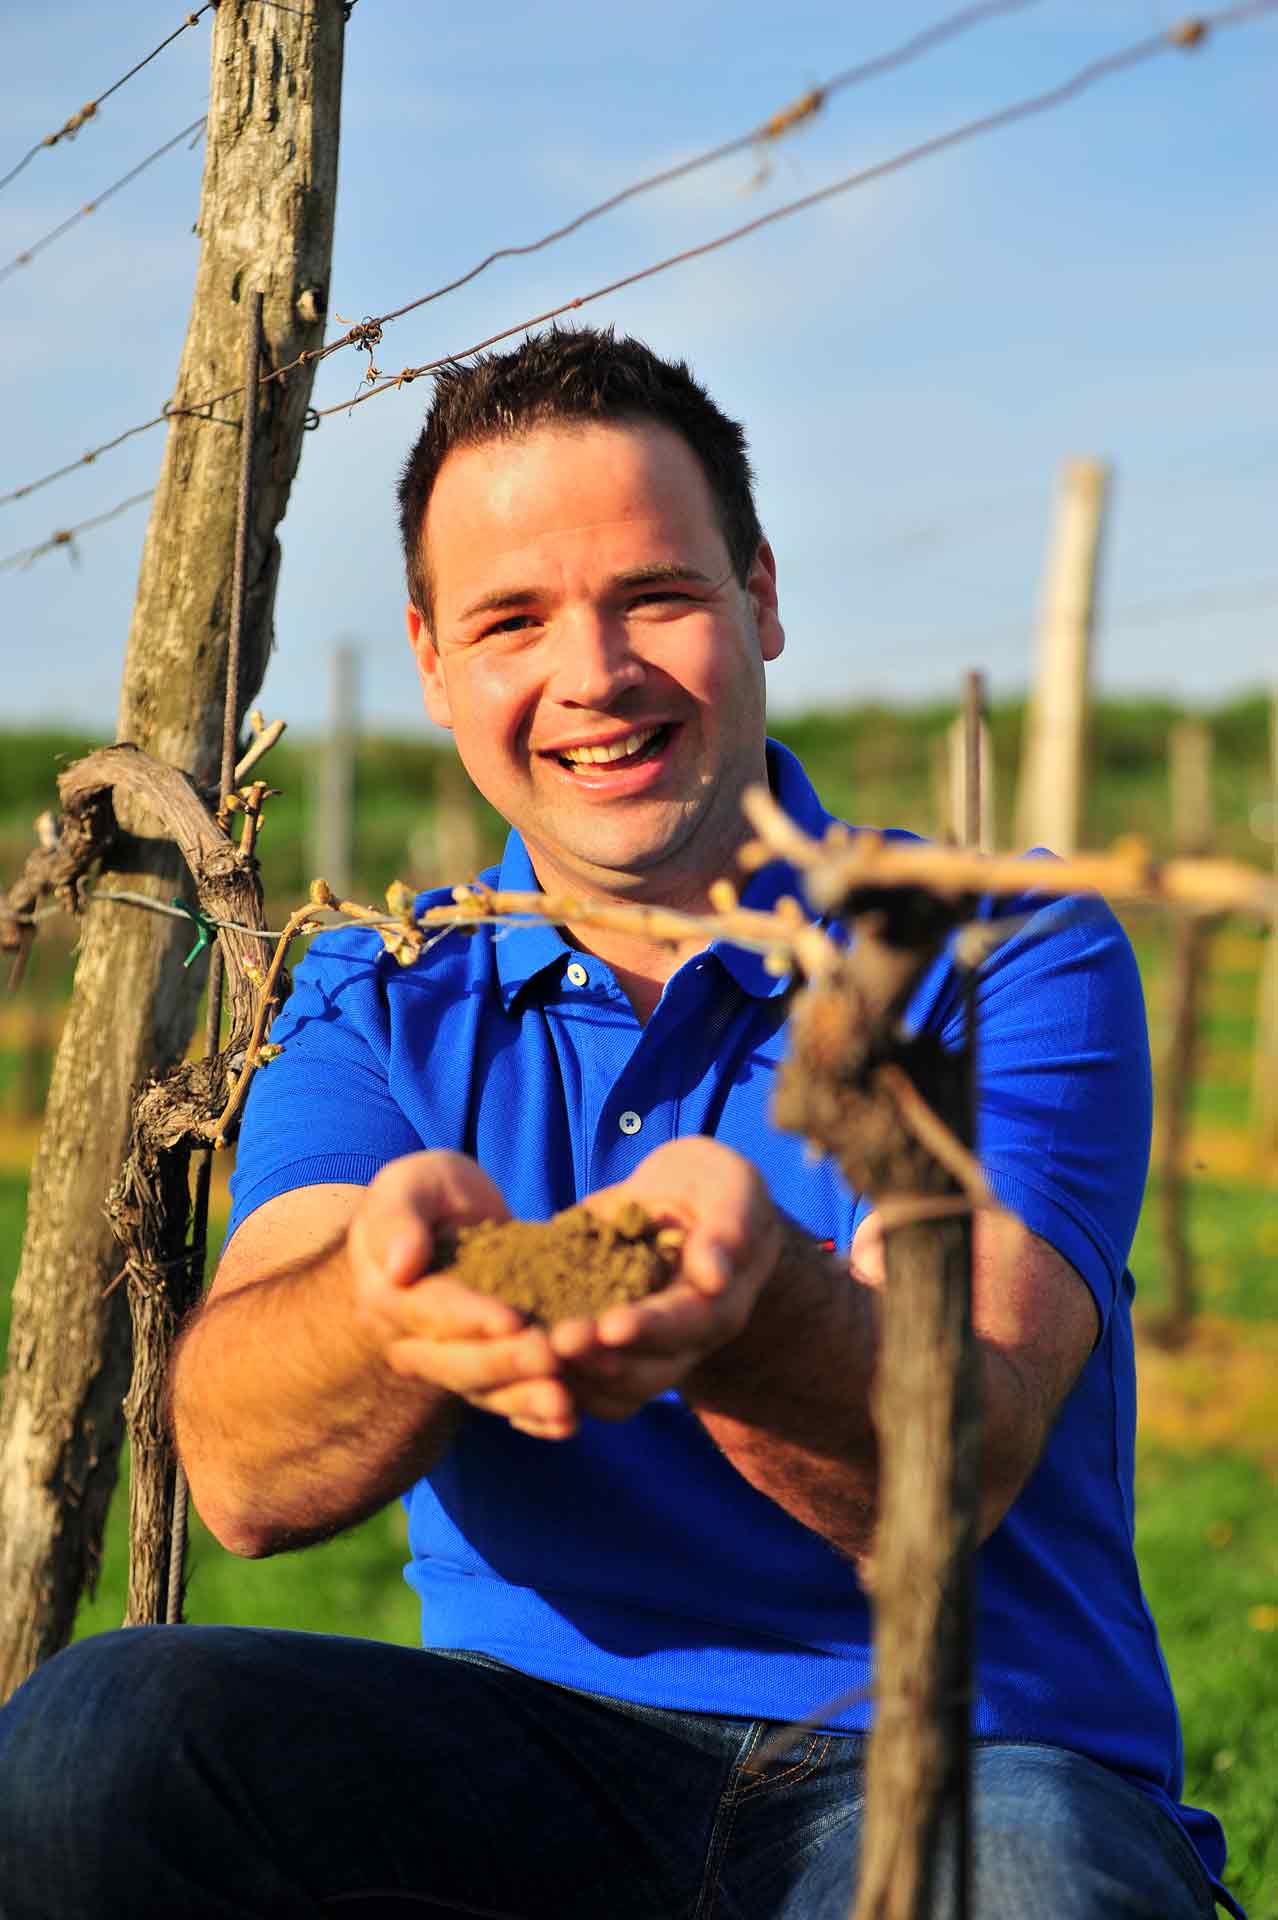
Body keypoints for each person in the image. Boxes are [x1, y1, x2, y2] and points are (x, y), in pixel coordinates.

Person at [0, 328, 1238, 1920]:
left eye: (653, 596)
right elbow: (242, 1475)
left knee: (1014, 1886)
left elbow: (951, 1462)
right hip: (528, 1758)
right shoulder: (376, 989)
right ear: (432, 661)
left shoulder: (992, 948)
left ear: (760, 597)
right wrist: (382, 1309)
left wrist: (752, 1303)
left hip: (962, 1757)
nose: (592, 675)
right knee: (97, 1740)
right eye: (511, 619)